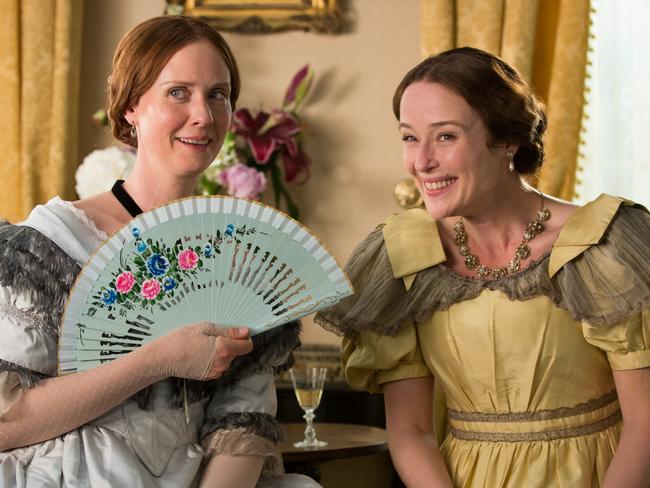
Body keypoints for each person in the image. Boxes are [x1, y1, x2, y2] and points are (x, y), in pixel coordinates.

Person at [0, 16, 320, 488]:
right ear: (131, 105)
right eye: (178, 92)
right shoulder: (49, 247)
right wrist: (159, 358)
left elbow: (241, 424)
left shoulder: (239, 260)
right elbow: (8, 422)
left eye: (218, 94)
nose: (204, 115)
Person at [316, 47, 650, 487]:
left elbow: (645, 422)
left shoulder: (599, 241)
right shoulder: (403, 256)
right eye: (410, 137)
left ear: (507, 140)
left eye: (446, 136)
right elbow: (411, 431)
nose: (421, 162)